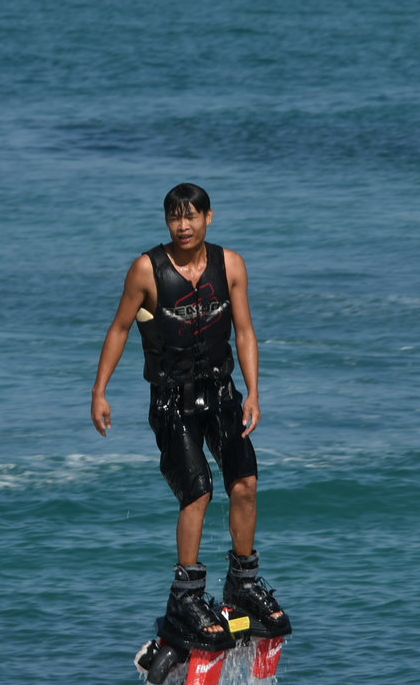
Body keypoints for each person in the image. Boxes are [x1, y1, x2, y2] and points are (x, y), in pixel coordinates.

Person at [91, 183, 290, 649]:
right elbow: (120, 328)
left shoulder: (231, 265)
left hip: (221, 392)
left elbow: (244, 331)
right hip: (172, 401)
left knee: (245, 481)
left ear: (208, 218)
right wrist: (99, 391)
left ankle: (242, 584)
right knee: (197, 490)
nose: (183, 226)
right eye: (175, 218)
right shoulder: (147, 269)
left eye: (191, 217)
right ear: (167, 222)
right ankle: (186, 595)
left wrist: (254, 392)